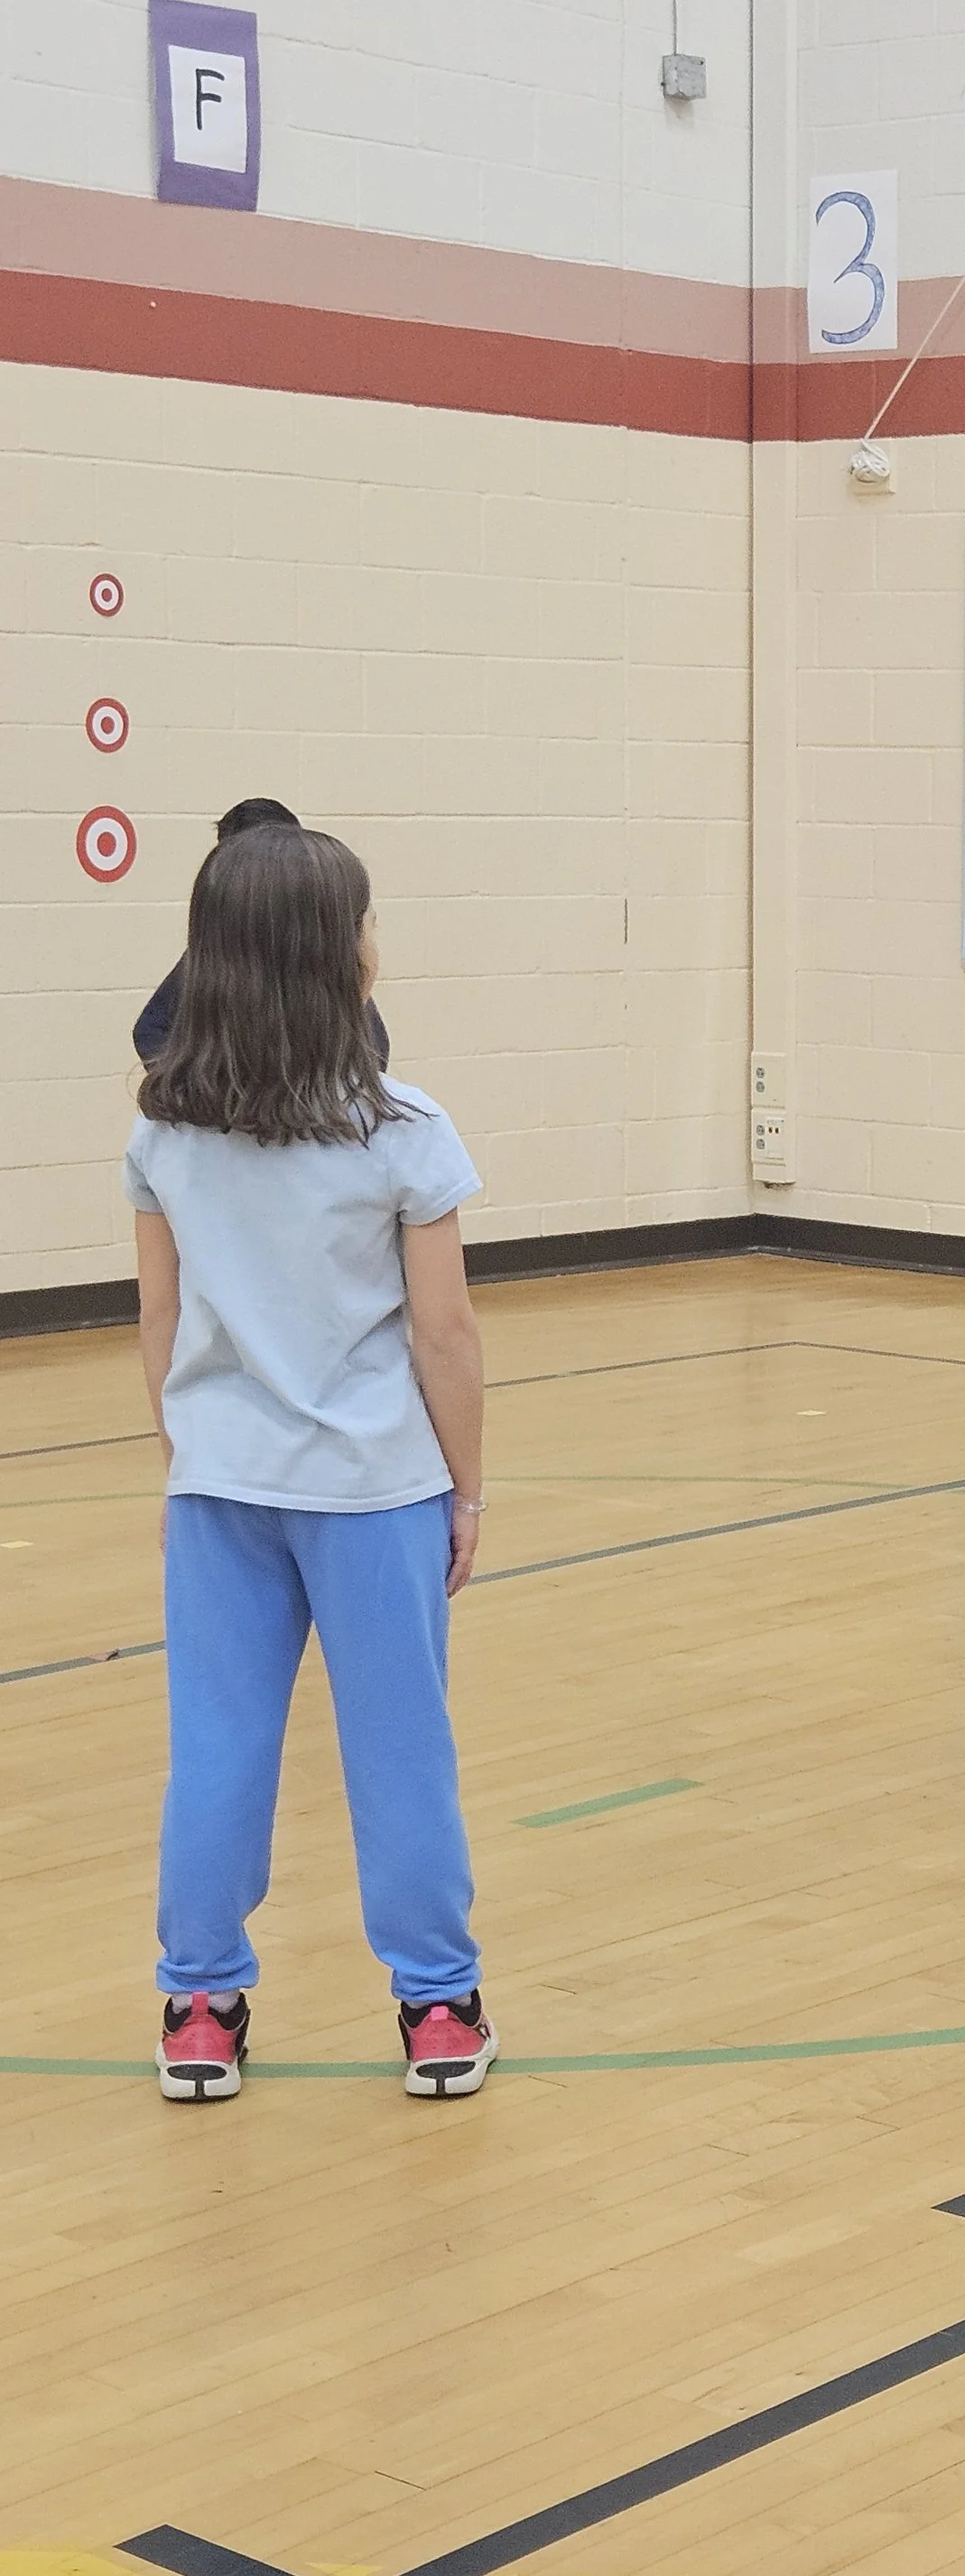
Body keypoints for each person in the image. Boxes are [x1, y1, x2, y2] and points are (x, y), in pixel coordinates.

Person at [125, 824, 494, 2103]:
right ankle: (438, 2008)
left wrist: (186, 1458)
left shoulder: (165, 1135)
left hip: (220, 1485)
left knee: (217, 1746)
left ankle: (200, 2002)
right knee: (402, 1748)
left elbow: (160, 1326)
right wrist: (469, 1482)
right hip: (372, 1490)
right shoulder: (403, 1128)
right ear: (337, 958)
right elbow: (444, 1330)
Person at [132, 798, 392, 1068]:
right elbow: (151, 1031)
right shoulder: (217, 952)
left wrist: (344, 1097)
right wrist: (197, 1090)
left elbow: (375, 1048)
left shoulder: (325, 946)